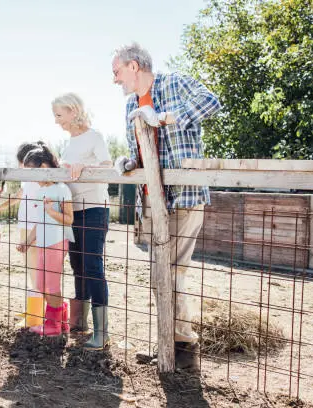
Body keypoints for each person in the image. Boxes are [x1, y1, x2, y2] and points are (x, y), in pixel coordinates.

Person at [112, 42, 221, 369]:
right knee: (161, 274)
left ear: (134, 66)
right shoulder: (131, 104)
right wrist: (128, 163)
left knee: (172, 273)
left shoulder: (175, 83)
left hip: (184, 196)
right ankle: (168, 343)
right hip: (152, 201)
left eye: (116, 72)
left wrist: (163, 118)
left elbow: (211, 102)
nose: (115, 80)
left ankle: (182, 347)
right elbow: (143, 152)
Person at [52, 92, 114, 350]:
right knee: (77, 264)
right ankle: (80, 322)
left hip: (94, 209)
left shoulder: (95, 137)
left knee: (92, 267)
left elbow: (109, 167)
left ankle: (102, 333)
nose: (56, 121)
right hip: (73, 212)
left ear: (73, 111)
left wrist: (83, 169)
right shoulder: (69, 142)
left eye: (59, 115)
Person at [16, 144, 74, 337]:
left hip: (56, 243)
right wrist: (28, 241)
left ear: (43, 168)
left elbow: (69, 219)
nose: (31, 180)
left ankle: (53, 325)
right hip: (42, 243)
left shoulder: (62, 189)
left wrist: (51, 211)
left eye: (32, 173)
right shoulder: (40, 192)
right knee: (41, 284)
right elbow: (39, 221)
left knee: (52, 285)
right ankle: (62, 318)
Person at [0, 141, 45, 328]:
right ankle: (34, 309)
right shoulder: (28, 178)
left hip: (34, 227)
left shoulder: (37, 177)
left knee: (36, 270)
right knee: (30, 268)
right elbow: (19, 195)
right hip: (25, 226)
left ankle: (37, 316)